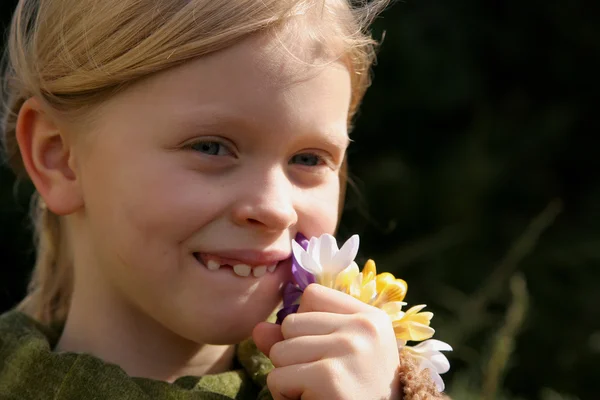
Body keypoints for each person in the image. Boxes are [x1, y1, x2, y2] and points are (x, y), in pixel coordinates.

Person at [0, 0, 448, 399]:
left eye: (308, 158)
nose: (275, 208)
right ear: (59, 158)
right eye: (210, 147)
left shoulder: (372, 388)